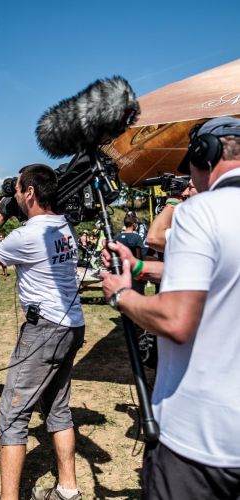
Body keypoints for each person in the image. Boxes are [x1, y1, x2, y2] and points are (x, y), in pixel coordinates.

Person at [100, 116, 240, 499]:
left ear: (204, 155)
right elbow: (222, 272)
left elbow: (176, 320)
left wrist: (121, 295)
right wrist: (141, 267)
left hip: (199, 440)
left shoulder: (202, 211)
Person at [0, 164, 85, 500]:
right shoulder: (64, 226)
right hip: (72, 325)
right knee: (57, 407)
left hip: (44, 331)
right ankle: (68, 490)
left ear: (30, 192)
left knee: (12, 414)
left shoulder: (27, 234)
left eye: (18, 190)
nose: (16, 196)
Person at [146, 179, 198, 252]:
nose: (184, 193)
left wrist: (173, 201)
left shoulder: (199, 228)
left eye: (190, 187)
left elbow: (153, 238)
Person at [114, 212, 145, 294]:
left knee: (123, 294)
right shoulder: (137, 237)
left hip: (120, 270)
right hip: (133, 271)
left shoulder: (116, 237)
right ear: (134, 224)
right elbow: (139, 257)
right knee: (137, 294)